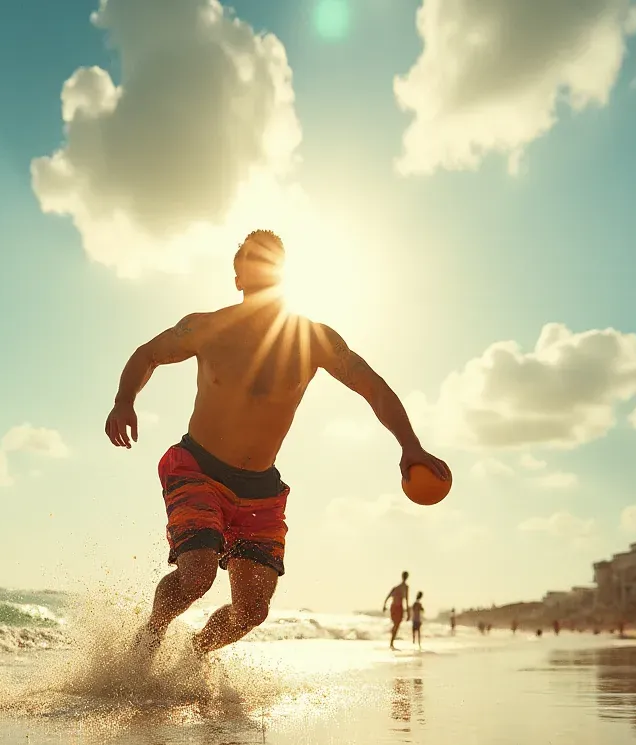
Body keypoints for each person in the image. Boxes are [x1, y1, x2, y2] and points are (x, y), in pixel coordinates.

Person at [104, 230, 450, 656]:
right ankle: (151, 635)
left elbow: (372, 387)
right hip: (197, 468)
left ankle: (194, 655)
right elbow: (147, 354)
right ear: (238, 278)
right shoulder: (207, 327)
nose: (264, 265)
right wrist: (124, 401)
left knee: (251, 610)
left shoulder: (314, 340)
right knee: (196, 577)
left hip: (260, 491)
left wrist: (409, 444)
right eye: (253, 259)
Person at [383, 572, 411, 650]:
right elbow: (407, 599)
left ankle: (391, 642)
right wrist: (408, 612)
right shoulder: (403, 587)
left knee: (396, 625)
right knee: (396, 625)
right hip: (397, 607)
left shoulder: (398, 587)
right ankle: (391, 642)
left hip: (395, 607)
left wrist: (384, 605)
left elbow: (388, 596)